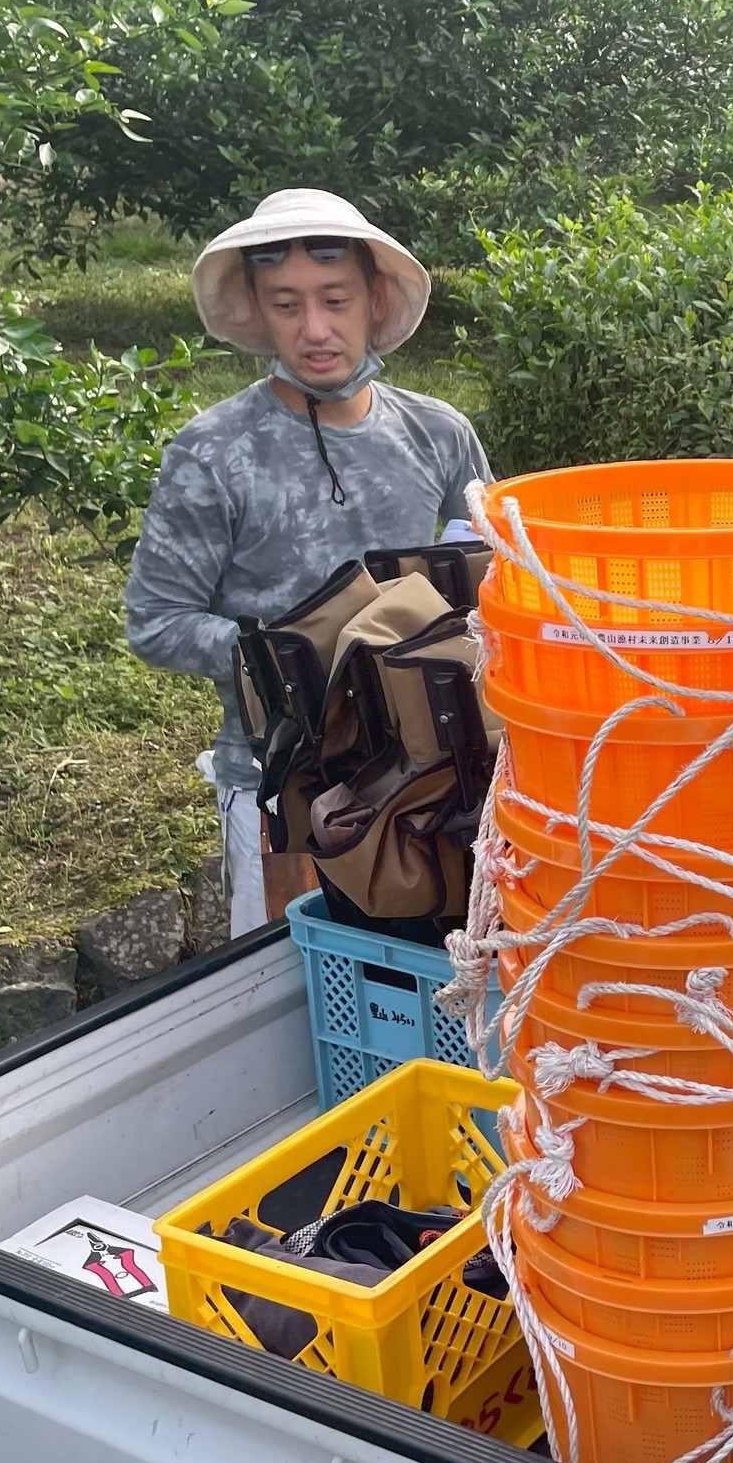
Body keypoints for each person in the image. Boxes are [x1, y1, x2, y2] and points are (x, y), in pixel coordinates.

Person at [126, 190, 492, 938]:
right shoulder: (214, 452)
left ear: (374, 298)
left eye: (335, 299)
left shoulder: (437, 433)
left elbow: (498, 579)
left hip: (434, 786)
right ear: (258, 312)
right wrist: (296, 661)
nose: (315, 329)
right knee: (299, 987)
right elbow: (155, 622)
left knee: (448, 982)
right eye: (287, 305)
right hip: (283, 791)